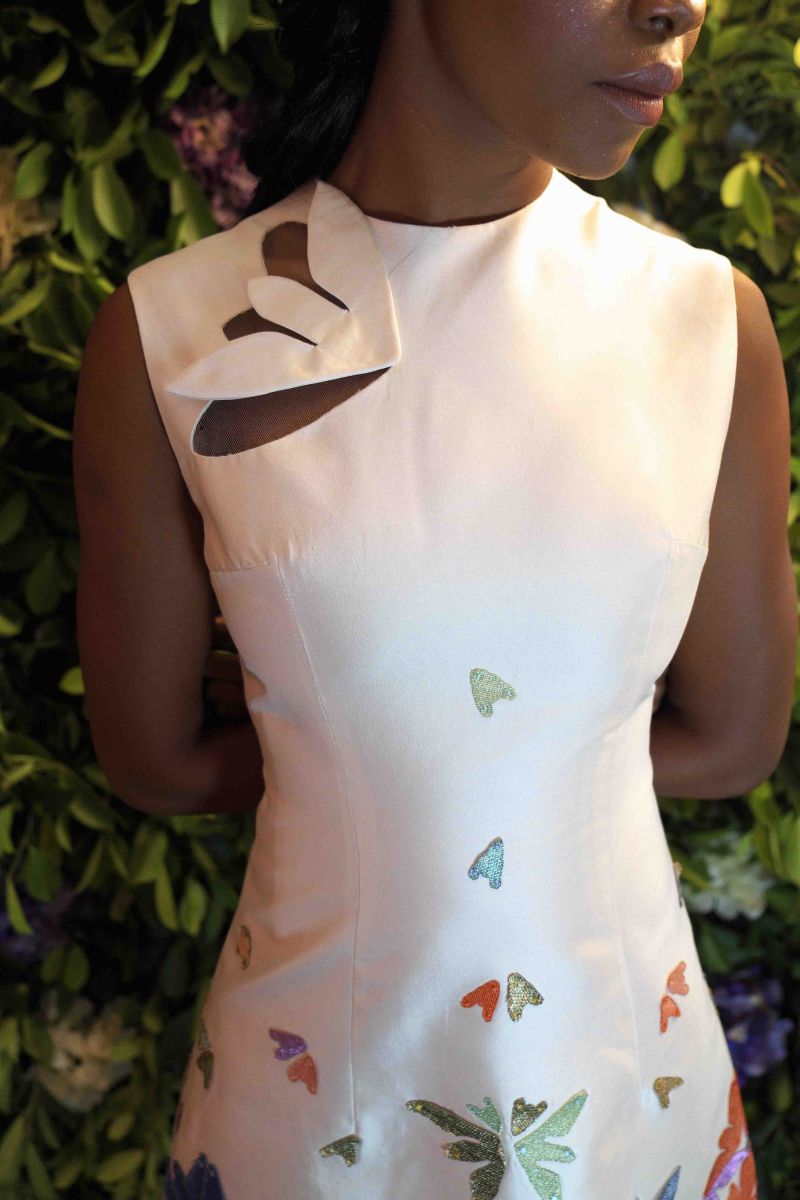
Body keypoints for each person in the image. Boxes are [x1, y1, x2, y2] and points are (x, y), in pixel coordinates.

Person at [73, 1, 796, 1197]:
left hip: (624, 1096)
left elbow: (735, 743)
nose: (674, 7)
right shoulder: (173, 333)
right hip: (315, 1110)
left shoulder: (705, 323)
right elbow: (149, 762)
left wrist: (356, 744)